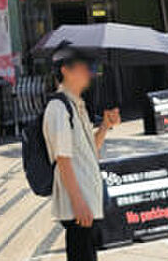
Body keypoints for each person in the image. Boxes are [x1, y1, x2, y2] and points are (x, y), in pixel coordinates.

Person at [43, 46, 120, 261]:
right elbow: (63, 160)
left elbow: (89, 151)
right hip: (78, 206)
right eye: (83, 66)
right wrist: (78, 202)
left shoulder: (77, 104)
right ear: (66, 70)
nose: (89, 72)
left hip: (88, 200)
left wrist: (105, 126)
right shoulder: (58, 108)